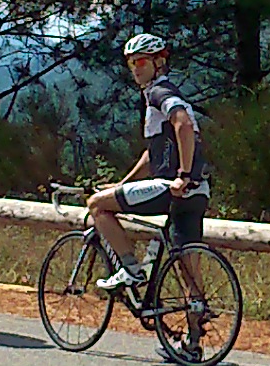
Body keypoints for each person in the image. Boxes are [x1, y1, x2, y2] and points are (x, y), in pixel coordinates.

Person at [88, 32, 210, 291]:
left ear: (159, 62)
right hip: (198, 191)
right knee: (187, 268)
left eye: (141, 61)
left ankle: (131, 270)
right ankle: (197, 312)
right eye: (131, 63)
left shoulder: (158, 92)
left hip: (171, 187)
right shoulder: (167, 95)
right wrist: (122, 184)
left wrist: (182, 175)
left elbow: (183, 125)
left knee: (97, 205)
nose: (135, 68)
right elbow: (151, 157)